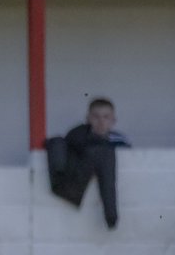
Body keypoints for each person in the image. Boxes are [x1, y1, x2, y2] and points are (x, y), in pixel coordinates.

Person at [45, 97, 130, 229]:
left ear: (113, 120)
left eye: (106, 117)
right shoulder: (78, 136)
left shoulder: (120, 140)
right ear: (88, 118)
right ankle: (111, 216)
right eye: (96, 117)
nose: (101, 122)